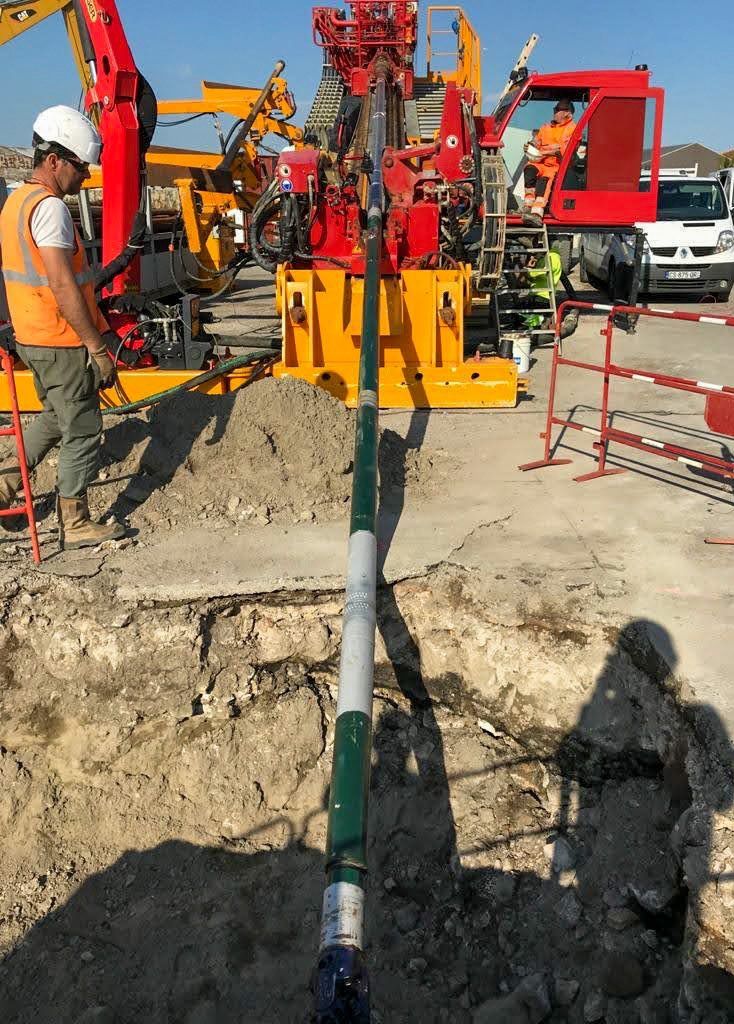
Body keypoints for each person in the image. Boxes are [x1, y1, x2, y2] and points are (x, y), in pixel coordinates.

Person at [0, 105, 126, 548]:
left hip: (31, 336)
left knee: (54, 416)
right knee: (84, 427)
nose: (85, 176)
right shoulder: (50, 209)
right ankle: (74, 521)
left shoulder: (17, 201)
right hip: (61, 339)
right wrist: (95, 346)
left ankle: (5, 485)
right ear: (53, 160)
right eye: (79, 165)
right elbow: (60, 283)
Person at [522, 99, 577, 226]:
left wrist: (543, 152)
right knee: (529, 169)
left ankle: (537, 213)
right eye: (555, 109)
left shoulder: (572, 129)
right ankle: (528, 205)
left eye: (558, 109)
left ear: (568, 113)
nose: (554, 112)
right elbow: (536, 142)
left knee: (544, 181)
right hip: (540, 162)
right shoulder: (545, 128)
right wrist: (530, 146)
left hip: (557, 165)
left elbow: (562, 150)